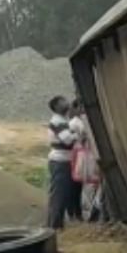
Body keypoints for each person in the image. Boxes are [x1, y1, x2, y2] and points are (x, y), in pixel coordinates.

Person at [46, 96, 78, 229]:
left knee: (66, 193)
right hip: (60, 161)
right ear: (57, 106)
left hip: (65, 160)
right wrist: (80, 134)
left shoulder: (64, 120)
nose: (67, 103)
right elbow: (68, 140)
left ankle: (59, 224)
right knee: (58, 194)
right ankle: (54, 226)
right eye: (63, 101)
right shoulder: (58, 121)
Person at [69, 102, 102, 221]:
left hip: (87, 155)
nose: (83, 110)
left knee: (90, 184)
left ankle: (89, 213)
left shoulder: (81, 121)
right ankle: (86, 214)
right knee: (87, 184)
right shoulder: (75, 123)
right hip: (83, 156)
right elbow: (77, 140)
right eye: (81, 107)